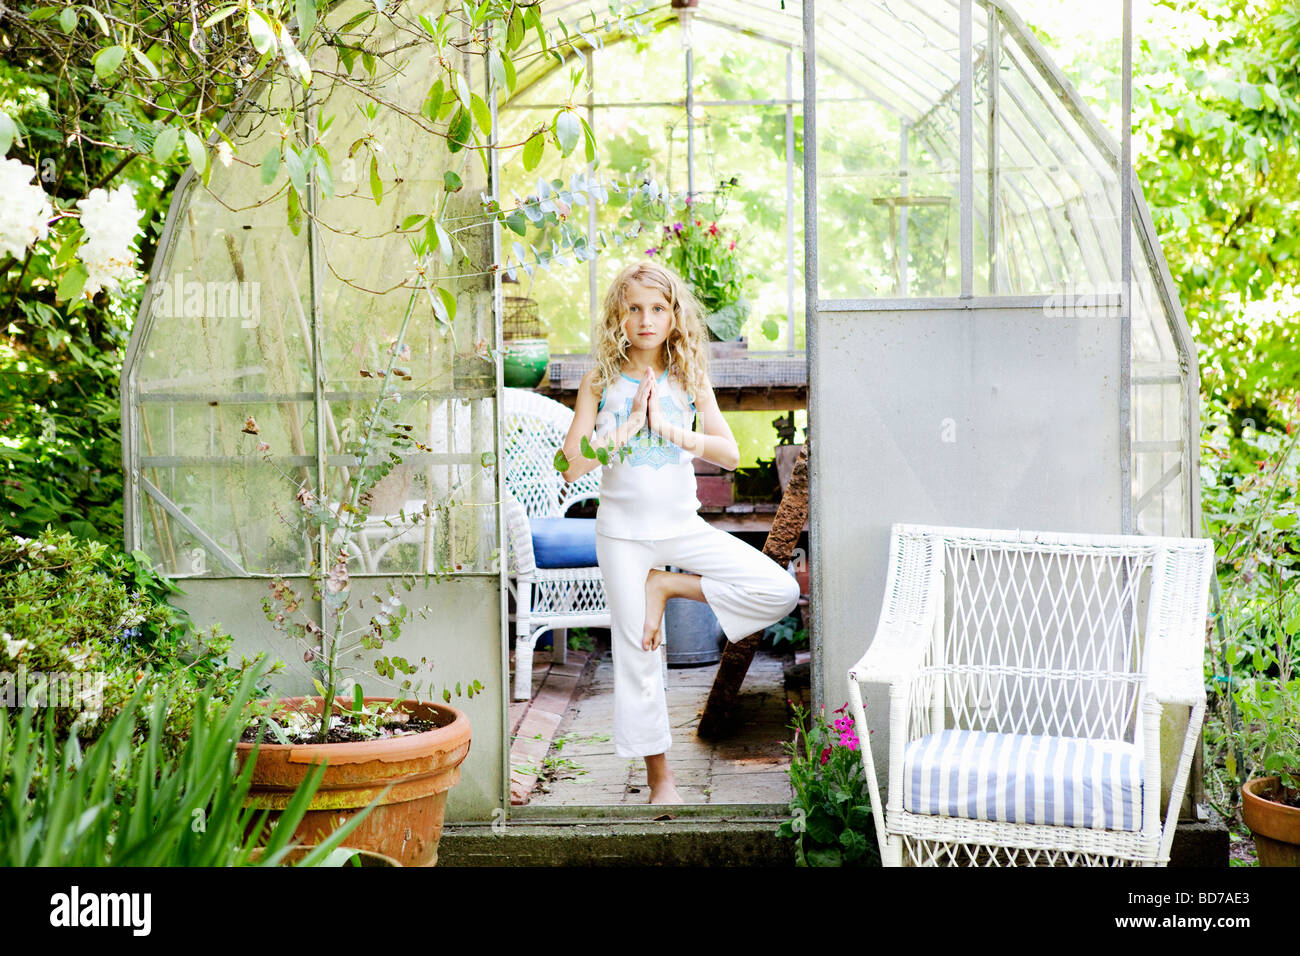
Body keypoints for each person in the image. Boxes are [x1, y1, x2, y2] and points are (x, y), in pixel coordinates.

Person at [560, 260, 801, 804]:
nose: (646, 320)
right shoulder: (599, 378)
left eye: (658, 308)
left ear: (674, 316)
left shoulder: (688, 376)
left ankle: (666, 586)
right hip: (622, 535)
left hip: (680, 528)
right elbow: (571, 466)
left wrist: (669, 428)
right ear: (617, 316)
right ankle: (660, 780)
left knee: (780, 589)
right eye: (634, 308)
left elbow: (731, 454)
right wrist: (622, 431)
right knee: (638, 653)